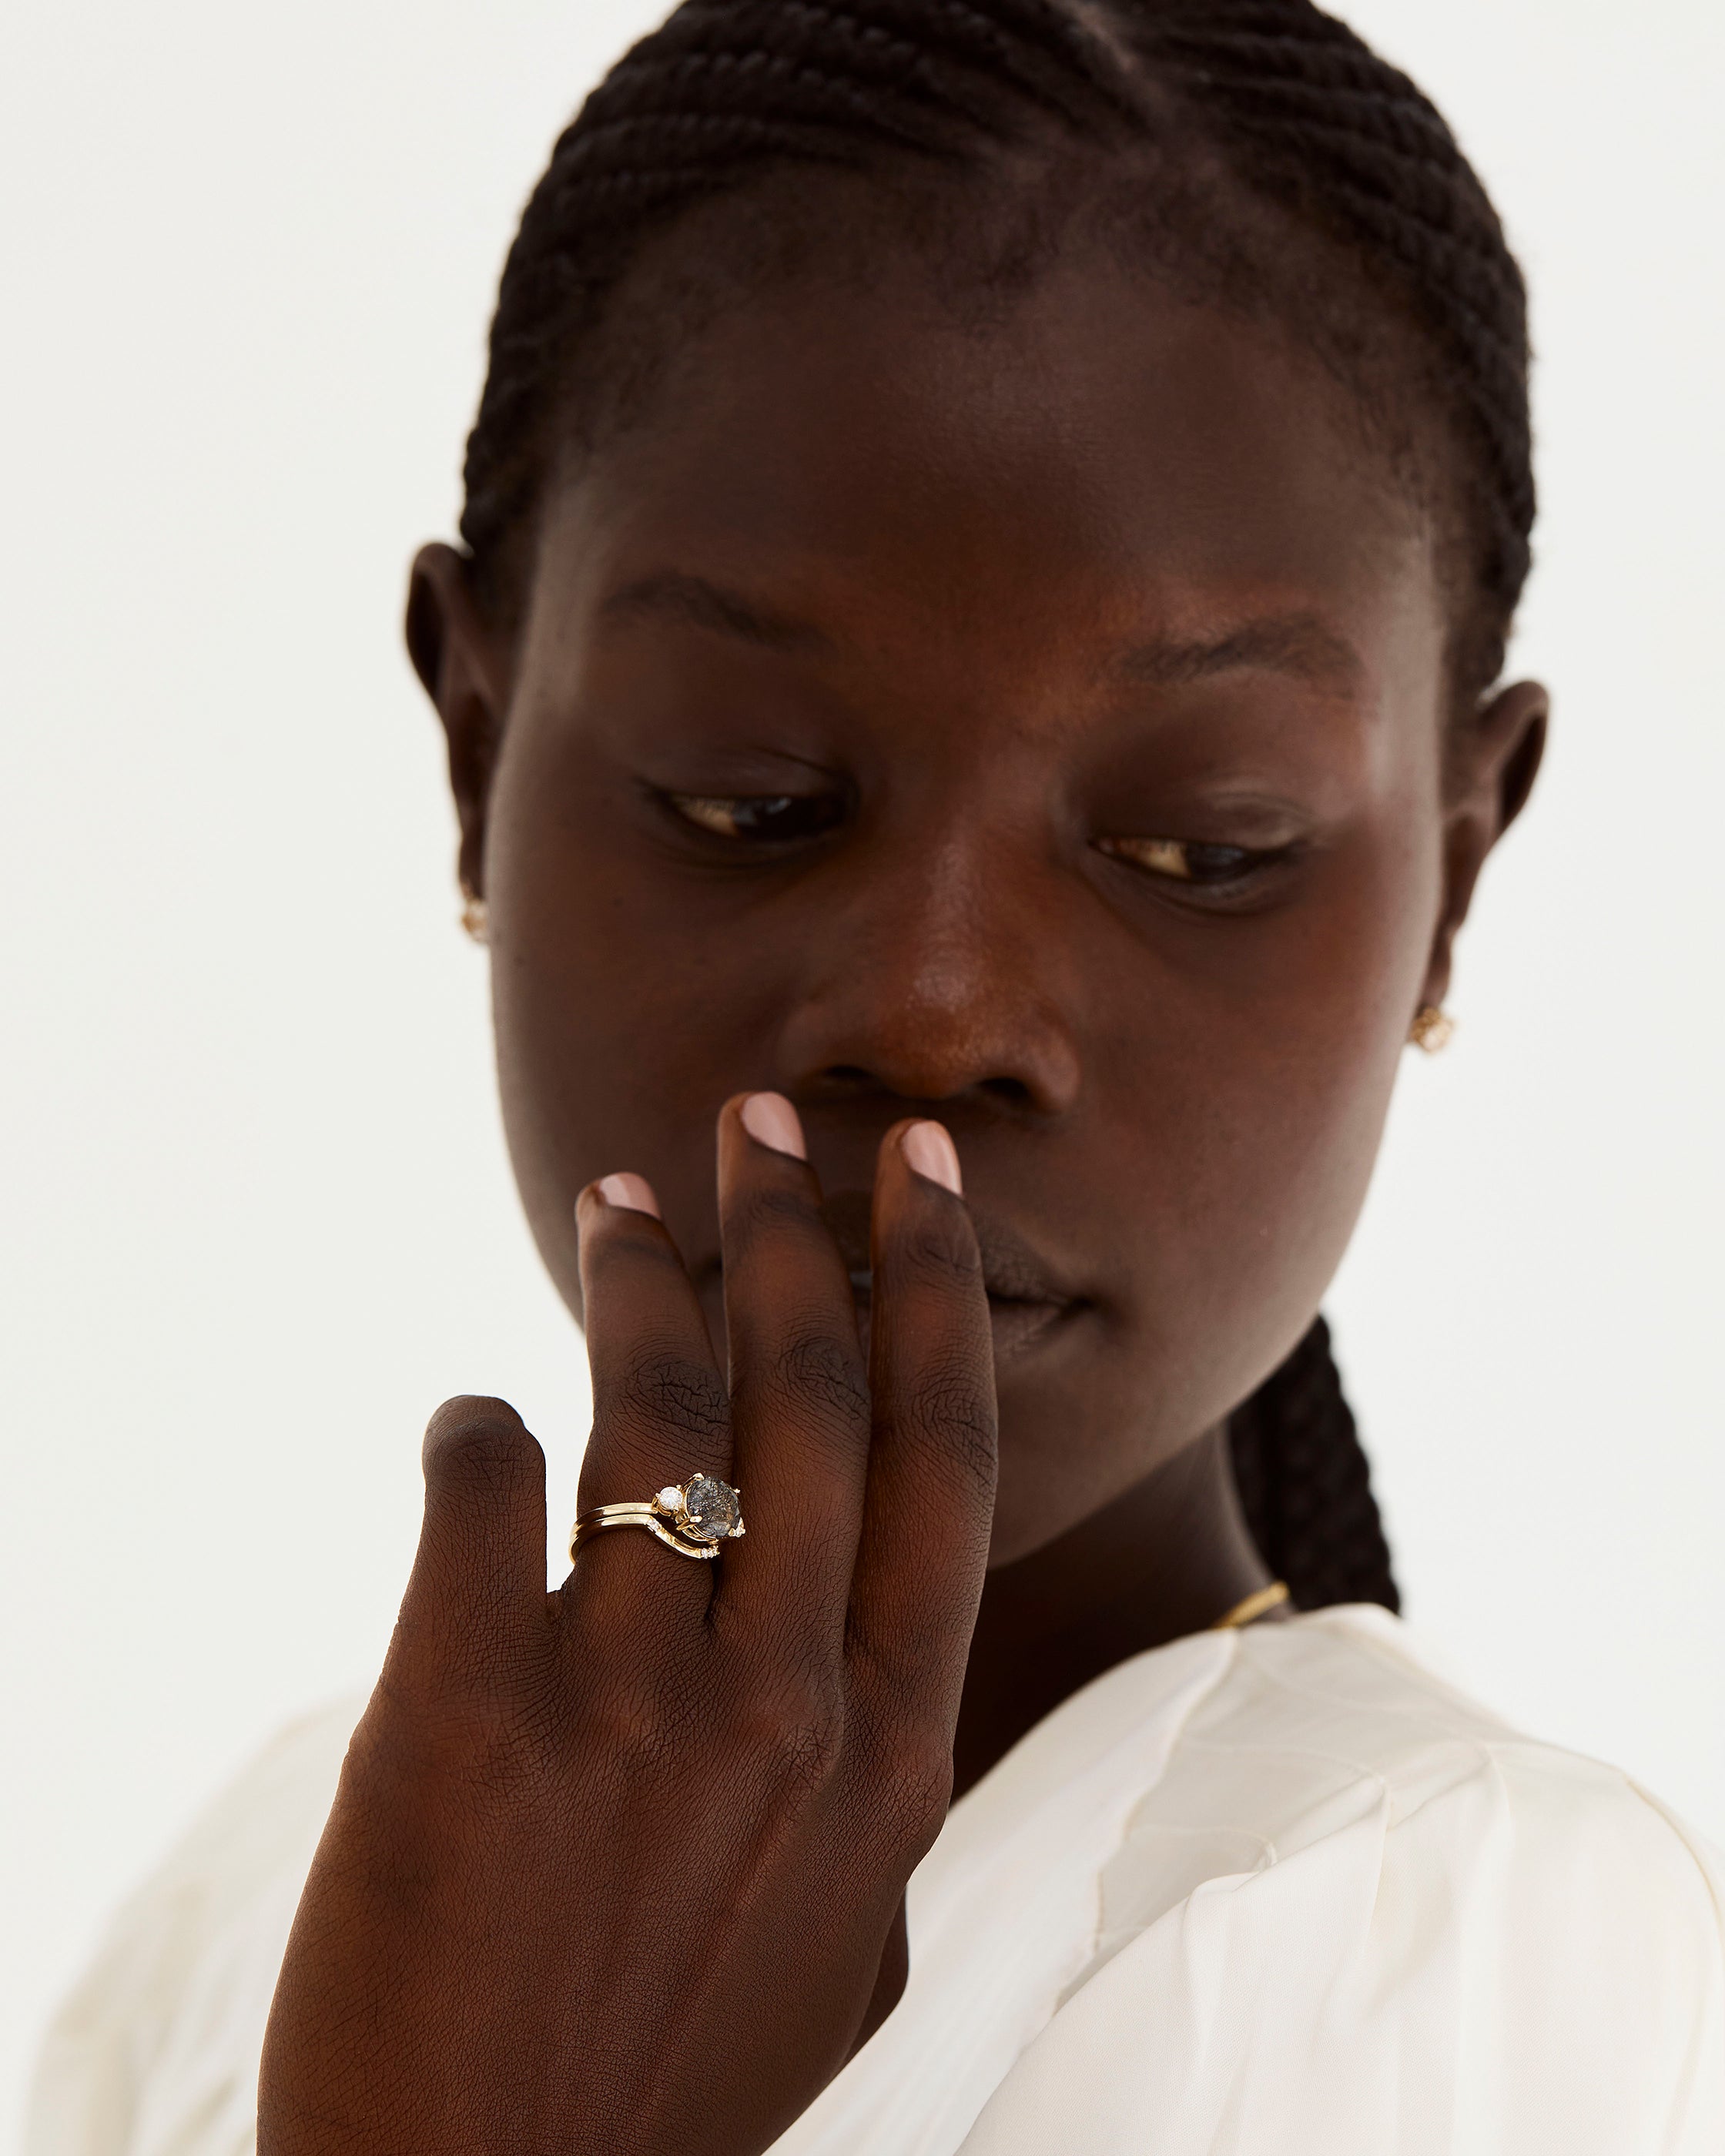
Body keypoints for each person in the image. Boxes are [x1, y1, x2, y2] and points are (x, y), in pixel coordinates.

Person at [28, 2, 1725, 2151]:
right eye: (750, 799)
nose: (933, 1012)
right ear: (474, 752)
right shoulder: (263, 1896)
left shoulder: (1436, 1942)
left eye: (1203, 846)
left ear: (1452, 883)